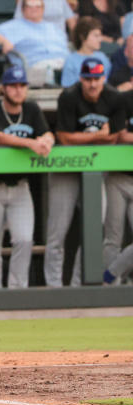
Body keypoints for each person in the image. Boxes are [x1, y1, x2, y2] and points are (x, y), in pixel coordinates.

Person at [42, 58, 126, 287]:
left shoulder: (114, 97)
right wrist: (98, 136)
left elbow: (115, 137)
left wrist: (86, 138)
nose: (92, 84)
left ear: (104, 79)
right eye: (88, 79)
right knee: (57, 232)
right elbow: (64, 138)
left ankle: (78, 285)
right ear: (81, 79)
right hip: (66, 169)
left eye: (97, 79)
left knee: (94, 229)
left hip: (95, 170)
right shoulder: (69, 96)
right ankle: (53, 288)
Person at [0, 65, 53, 289]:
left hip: (20, 185)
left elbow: (46, 132)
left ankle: (17, 290)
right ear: (4, 88)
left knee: (24, 239)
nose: (18, 90)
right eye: (13, 86)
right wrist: (30, 143)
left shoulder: (31, 109)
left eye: (22, 85)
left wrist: (47, 140)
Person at [61, 16, 112, 87]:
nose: (100, 39)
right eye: (96, 36)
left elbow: (108, 84)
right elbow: (67, 87)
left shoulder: (103, 58)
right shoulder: (71, 60)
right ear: (82, 37)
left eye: (100, 35)